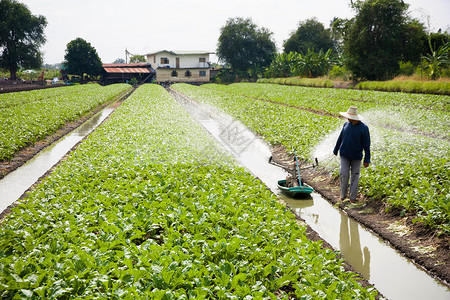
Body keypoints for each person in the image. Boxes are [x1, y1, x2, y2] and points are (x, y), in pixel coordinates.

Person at [333, 106, 371, 203]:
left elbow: (367, 145)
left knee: (355, 176)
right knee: (344, 173)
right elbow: (340, 137)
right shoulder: (346, 124)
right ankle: (343, 195)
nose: (347, 118)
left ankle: (352, 197)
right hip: (344, 154)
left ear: (354, 117)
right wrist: (336, 149)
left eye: (349, 116)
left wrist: (367, 159)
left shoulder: (364, 128)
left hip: (356, 156)